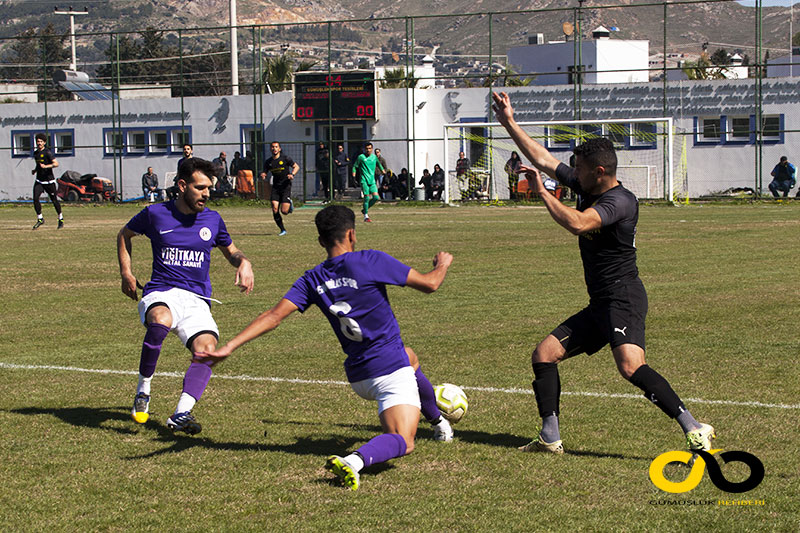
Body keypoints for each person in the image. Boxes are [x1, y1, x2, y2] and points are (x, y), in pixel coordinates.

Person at [491, 91, 716, 455]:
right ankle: (550, 437)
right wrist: (509, 123)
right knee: (544, 354)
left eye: (578, 169)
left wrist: (543, 194)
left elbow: (579, 224)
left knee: (630, 366)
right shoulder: (587, 184)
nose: (572, 173)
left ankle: (694, 427)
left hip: (622, 297)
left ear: (600, 171)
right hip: (600, 301)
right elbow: (543, 158)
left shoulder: (619, 201)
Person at [194, 205, 454, 490]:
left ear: (321, 241)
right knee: (404, 440)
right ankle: (354, 461)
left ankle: (438, 421)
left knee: (410, 357)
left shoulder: (312, 279)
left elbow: (273, 316)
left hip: (359, 375)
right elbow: (430, 284)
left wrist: (229, 346)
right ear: (352, 234)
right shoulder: (370, 260)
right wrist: (442, 263)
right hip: (388, 372)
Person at [117, 157, 254, 435]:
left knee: (207, 350)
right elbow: (124, 234)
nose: (207, 193)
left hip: (196, 299)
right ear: (182, 185)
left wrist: (243, 262)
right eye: (201, 187)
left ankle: (181, 413)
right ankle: (143, 390)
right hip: (162, 291)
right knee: (160, 320)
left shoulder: (213, 219)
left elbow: (232, 251)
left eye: (209, 188)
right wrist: (127, 274)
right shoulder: (155, 214)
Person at [261, 141, 299, 236]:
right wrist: (263, 174)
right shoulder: (268, 162)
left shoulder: (285, 159)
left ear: (279, 149)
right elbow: (264, 172)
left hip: (285, 186)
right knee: (274, 208)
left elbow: (296, 166)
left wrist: (292, 174)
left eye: (276, 147)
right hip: (275, 187)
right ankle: (282, 230)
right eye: (273, 147)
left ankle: (289, 204)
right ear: (270, 149)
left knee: (284, 211)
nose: (274, 149)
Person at [31, 133, 63, 229]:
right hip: (39, 181)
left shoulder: (48, 152)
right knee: (35, 199)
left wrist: (46, 166)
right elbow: (39, 164)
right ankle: (40, 219)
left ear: (44, 142)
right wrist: (35, 170)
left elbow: (56, 164)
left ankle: (60, 218)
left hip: (49, 181)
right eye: (38, 141)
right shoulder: (36, 153)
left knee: (54, 201)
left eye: (41, 141)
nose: (39, 143)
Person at [352, 142, 384, 222]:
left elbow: (379, 165)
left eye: (370, 148)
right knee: (366, 197)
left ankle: (364, 210)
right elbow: (354, 167)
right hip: (364, 180)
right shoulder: (361, 157)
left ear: (372, 149)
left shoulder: (374, 157)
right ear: (364, 149)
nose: (368, 150)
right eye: (366, 149)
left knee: (376, 197)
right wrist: (353, 177)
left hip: (372, 181)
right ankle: (366, 216)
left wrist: (383, 171)